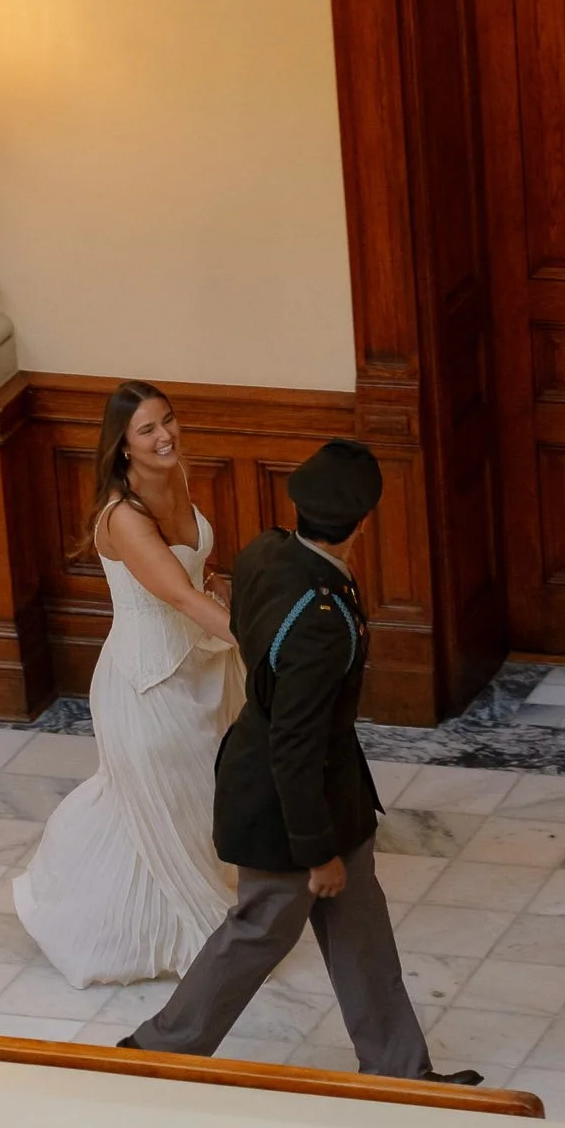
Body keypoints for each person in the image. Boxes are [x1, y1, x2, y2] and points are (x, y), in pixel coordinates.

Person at [120, 438, 481, 1083]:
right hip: (286, 803)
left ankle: (400, 1071)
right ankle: (156, 1055)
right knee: (259, 928)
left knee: (361, 932)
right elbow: (295, 744)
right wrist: (317, 852)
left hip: (325, 790)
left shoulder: (266, 551)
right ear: (362, 525)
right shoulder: (321, 622)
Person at [14, 382, 244, 985]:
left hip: (203, 668)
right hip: (150, 685)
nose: (165, 435)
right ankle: (115, 925)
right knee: (158, 805)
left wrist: (229, 589)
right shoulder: (121, 518)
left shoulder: (176, 476)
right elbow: (178, 595)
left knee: (198, 805)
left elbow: (199, 570)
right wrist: (271, 644)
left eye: (167, 421)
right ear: (122, 445)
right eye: (148, 429)